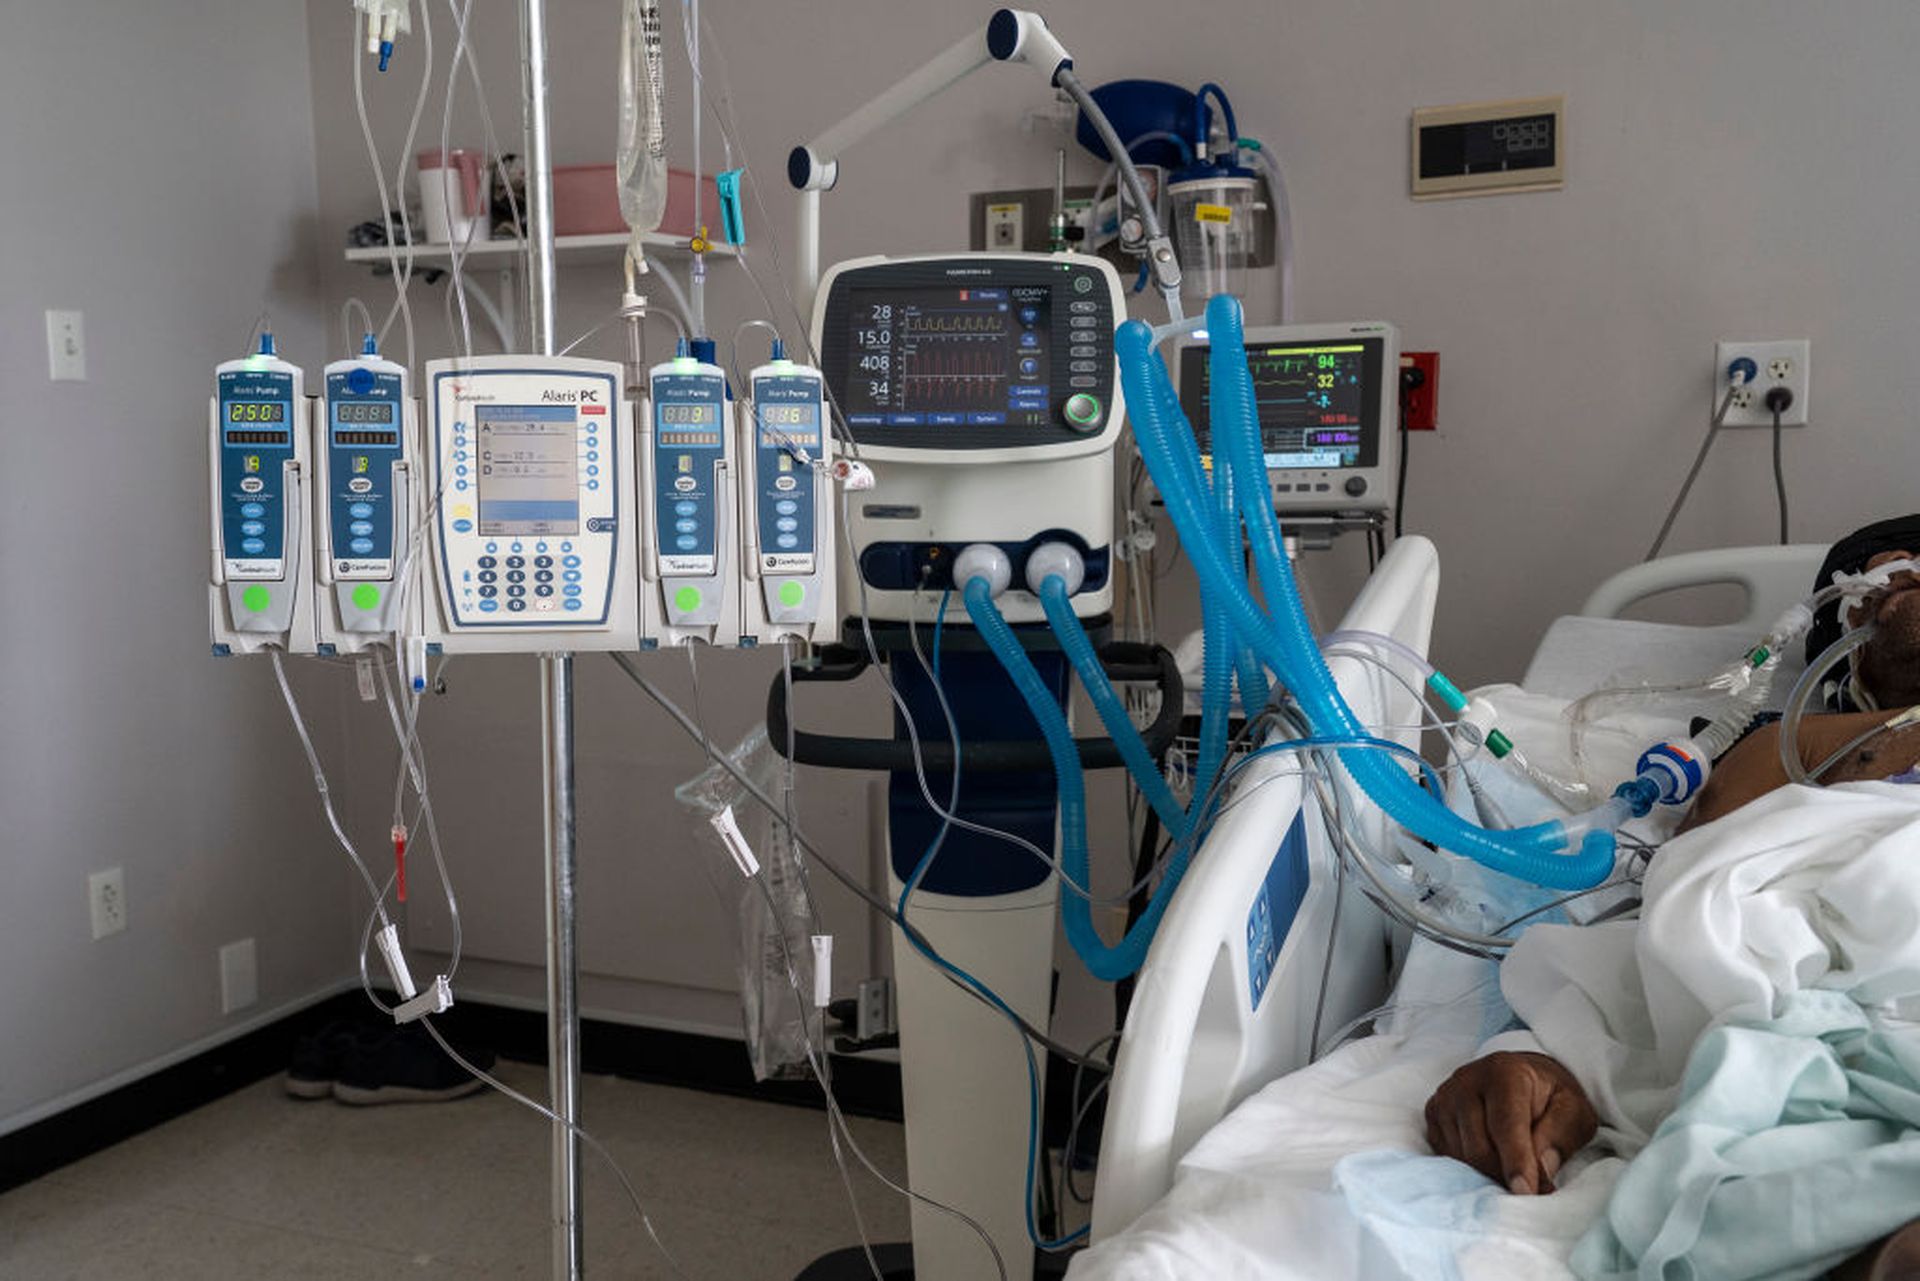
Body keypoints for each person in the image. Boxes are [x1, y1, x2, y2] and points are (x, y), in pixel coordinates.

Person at [1423, 521, 1920, 1279]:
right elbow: (1691, 923)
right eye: (1879, 579)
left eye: (1913, 565)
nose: (1896, 586)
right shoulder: (1802, 750)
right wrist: (1551, 1058)